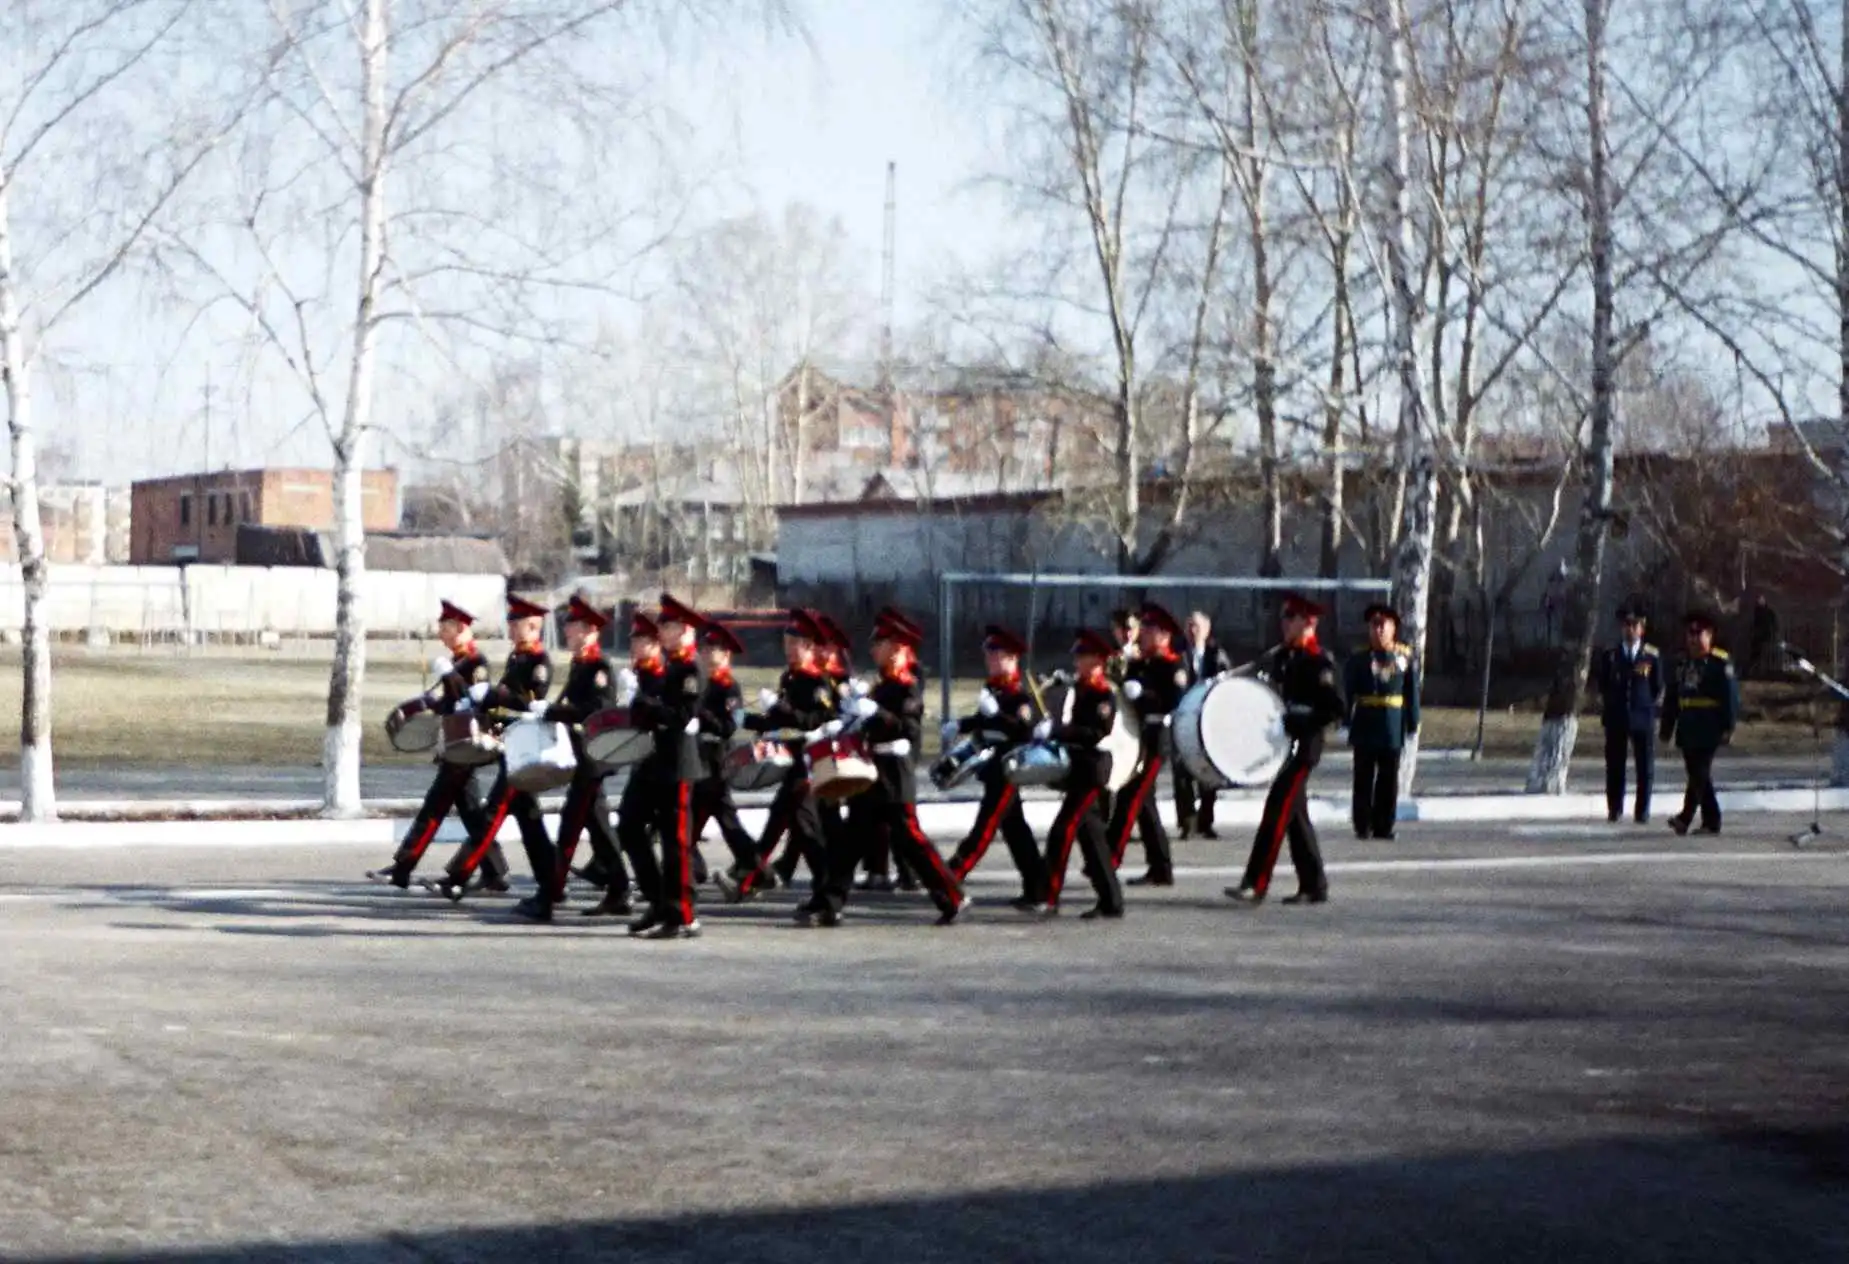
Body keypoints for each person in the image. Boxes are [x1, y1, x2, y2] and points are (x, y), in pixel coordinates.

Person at [808, 607, 967, 927]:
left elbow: (907, 728)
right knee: (851, 842)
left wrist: (875, 712)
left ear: (897, 648)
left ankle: (952, 896)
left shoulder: (908, 686)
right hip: (871, 775)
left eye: (879, 644)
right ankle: (829, 904)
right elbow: (869, 725)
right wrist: (849, 718)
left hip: (895, 777)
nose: (873, 650)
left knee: (912, 841)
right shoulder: (882, 686)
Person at [367, 600, 494, 889]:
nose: (440, 633)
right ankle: (494, 871)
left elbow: (472, 701)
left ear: (460, 628)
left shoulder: (476, 663)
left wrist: (449, 675)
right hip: (455, 745)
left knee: (434, 808)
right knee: (472, 813)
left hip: (466, 745)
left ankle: (403, 868)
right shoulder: (458, 660)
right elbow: (448, 703)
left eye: (445, 627)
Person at [1227, 594, 1345, 906]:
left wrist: (1302, 720)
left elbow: (1335, 709)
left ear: (1308, 622)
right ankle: (1314, 884)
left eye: (1290, 617)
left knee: (1277, 811)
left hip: (1304, 746)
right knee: (1296, 817)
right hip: (1282, 746)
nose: (1283, 623)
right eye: (1283, 616)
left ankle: (1256, 883)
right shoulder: (1282, 656)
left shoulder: (1320, 662)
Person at [437, 594, 555, 901]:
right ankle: (552, 881)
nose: (511, 629)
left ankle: (458, 876)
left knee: (492, 815)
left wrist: (494, 695)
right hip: (510, 744)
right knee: (530, 821)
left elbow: (530, 703)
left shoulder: (539, 662)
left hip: (524, 747)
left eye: (517, 625)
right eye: (511, 624)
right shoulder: (518, 657)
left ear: (534, 627)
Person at [717, 608, 836, 903]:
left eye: (794, 644)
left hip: (808, 761)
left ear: (809, 647)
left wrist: (782, 709)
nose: (789, 650)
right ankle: (756, 881)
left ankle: (826, 893)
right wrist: (747, 719)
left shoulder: (818, 682)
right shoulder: (790, 678)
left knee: (802, 827)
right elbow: (776, 722)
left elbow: (814, 720)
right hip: (788, 760)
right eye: (786, 644)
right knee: (784, 824)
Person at [512, 594, 616, 923]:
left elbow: (597, 710)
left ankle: (548, 897)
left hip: (592, 757)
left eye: (574, 627)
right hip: (581, 757)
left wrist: (553, 711)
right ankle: (620, 890)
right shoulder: (581, 664)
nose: (567, 632)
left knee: (570, 829)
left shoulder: (599, 668)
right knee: (600, 829)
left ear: (590, 631)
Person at [944, 625, 1048, 911]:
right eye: (988, 655)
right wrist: (961, 724)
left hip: (1009, 769)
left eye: (996, 655)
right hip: (994, 768)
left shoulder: (1020, 694)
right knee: (1016, 831)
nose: (989, 660)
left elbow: (1024, 730)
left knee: (985, 828)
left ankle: (949, 877)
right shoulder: (993, 688)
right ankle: (1038, 888)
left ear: (1012, 658)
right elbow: (984, 721)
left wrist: (997, 714)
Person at [623, 592, 707, 939]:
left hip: (677, 765)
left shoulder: (690, 669)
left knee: (676, 844)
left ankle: (682, 914)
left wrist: (648, 704)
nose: (662, 632)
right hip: (655, 761)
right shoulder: (670, 665)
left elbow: (681, 715)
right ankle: (659, 900)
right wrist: (639, 702)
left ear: (685, 630)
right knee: (629, 825)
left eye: (668, 626)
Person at [1039, 628, 1126, 920]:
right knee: (1092, 839)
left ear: (1098, 660)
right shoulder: (1081, 689)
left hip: (1093, 770)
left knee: (1062, 831)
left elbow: (1096, 733)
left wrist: (1058, 731)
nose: (1076, 661)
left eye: (1083, 656)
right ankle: (1111, 901)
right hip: (1079, 769)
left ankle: (1048, 896)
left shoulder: (1103, 694)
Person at [584, 611, 664, 917]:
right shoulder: (639, 674)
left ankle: (670, 898)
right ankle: (651, 895)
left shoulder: (660, 675)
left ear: (655, 644)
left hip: (662, 763)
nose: (634, 646)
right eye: (634, 641)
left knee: (672, 835)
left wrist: (639, 700)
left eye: (641, 641)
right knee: (630, 827)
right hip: (643, 764)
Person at [1110, 601, 1188, 886]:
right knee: (1145, 805)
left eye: (1149, 628)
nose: (1142, 632)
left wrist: (1143, 695)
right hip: (1138, 738)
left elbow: (1174, 702)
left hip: (1158, 738)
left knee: (1131, 796)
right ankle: (1161, 868)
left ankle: (1108, 857)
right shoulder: (1139, 662)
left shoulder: (1173, 665)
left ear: (1164, 634)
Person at [1344, 603, 1420, 841]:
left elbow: (1411, 692)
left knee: (1388, 779)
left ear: (1393, 628)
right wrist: (1345, 720)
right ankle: (1362, 825)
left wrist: (1413, 722)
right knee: (1363, 778)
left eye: (1382, 625)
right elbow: (1348, 691)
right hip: (1365, 723)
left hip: (1391, 725)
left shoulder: (1403, 657)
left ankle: (1384, 825)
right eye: (1373, 625)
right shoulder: (1359, 658)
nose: (1378, 630)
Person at [689, 620, 758, 880]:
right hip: (699, 757)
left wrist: (702, 713)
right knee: (718, 817)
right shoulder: (700, 682)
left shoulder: (729, 687)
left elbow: (729, 726)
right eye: (703, 649)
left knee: (711, 817)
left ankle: (753, 865)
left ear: (726, 654)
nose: (706, 654)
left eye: (712, 650)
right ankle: (749, 863)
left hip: (717, 759)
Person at [1662, 611, 1739, 836]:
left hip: (1709, 725)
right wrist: (1667, 728)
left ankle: (1691, 818)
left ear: (1710, 635)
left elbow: (1730, 698)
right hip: (1688, 724)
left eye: (1699, 633)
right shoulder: (1682, 662)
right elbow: (1672, 697)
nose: (1694, 639)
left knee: (1699, 772)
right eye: (1690, 633)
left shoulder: (1719, 662)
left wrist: (1728, 726)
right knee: (1696, 774)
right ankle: (1704, 820)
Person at [1595, 607, 1663, 825]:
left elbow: (1656, 686)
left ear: (1642, 629)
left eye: (1634, 626)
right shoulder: (1611, 655)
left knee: (1645, 767)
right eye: (1627, 625)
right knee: (1615, 766)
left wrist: (1645, 705)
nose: (1630, 630)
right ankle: (1615, 809)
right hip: (1616, 718)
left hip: (1642, 718)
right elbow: (1603, 684)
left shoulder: (1651, 655)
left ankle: (1642, 811)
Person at [1175, 611, 1232, 840]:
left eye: (1197, 626)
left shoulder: (1216, 654)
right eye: (1189, 625)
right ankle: (1187, 821)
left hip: (1208, 717)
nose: (1192, 630)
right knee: (1182, 772)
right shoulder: (1177, 653)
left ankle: (1206, 821)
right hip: (1183, 717)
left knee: (1208, 770)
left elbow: (1226, 680)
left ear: (1207, 630)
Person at [1749, 595, 1780, 678]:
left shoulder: (1768, 612)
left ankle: (1765, 671)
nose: (1760, 601)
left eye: (1761, 600)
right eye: (1759, 600)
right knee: (1757, 654)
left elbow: (1774, 623)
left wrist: (1774, 632)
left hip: (1766, 636)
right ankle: (1756, 671)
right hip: (1758, 637)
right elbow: (1754, 624)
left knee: (1766, 654)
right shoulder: (1756, 612)